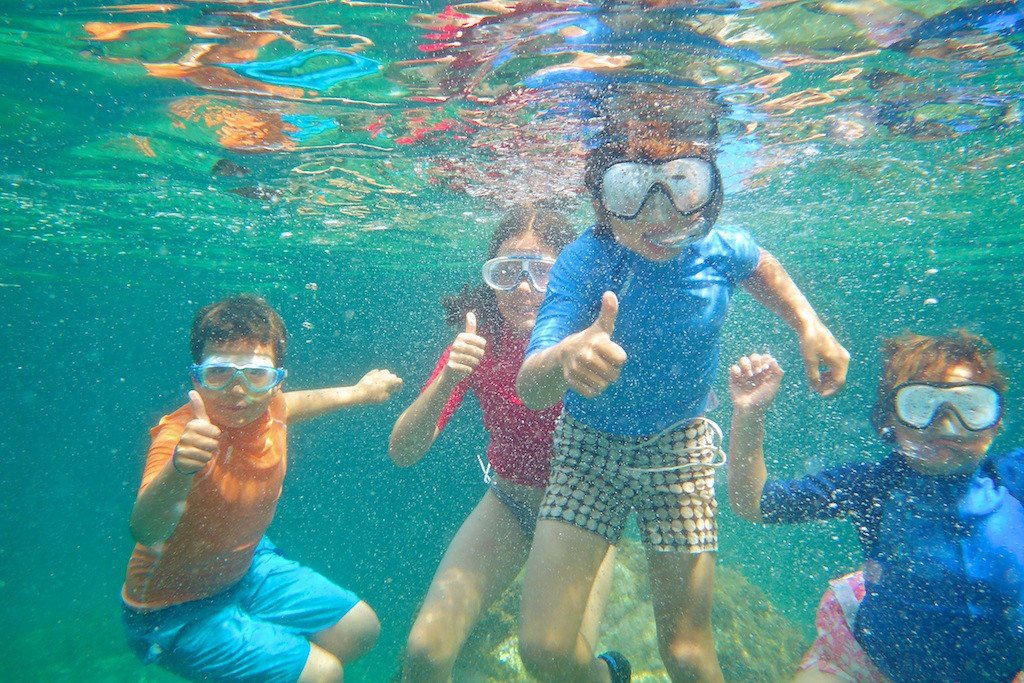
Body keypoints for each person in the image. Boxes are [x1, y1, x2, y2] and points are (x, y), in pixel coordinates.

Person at [514, 91, 850, 683]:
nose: (657, 214)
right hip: (586, 448)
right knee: (542, 650)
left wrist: (809, 323)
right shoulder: (583, 261)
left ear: (710, 190)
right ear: (600, 199)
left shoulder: (717, 248)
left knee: (687, 650)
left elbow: (760, 264)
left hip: (681, 450)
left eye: (682, 183)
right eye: (629, 190)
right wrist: (565, 357)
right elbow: (531, 385)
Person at [122, 294, 404, 683]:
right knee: (323, 675)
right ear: (196, 377)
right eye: (219, 373)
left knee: (361, 630)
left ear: (276, 381)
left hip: (245, 567)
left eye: (255, 375)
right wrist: (179, 469)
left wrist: (359, 392)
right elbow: (146, 530)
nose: (238, 392)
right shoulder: (181, 438)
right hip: (168, 610)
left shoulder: (271, 406)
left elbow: (294, 404)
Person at [390, 208, 616, 682]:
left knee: (553, 660)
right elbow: (403, 452)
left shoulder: (597, 332)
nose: (525, 289)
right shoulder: (481, 340)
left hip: (587, 512)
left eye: (543, 270)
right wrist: (449, 376)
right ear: (490, 278)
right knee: (424, 654)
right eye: (507, 273)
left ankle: (607, 674)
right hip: (512, 498)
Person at [727, 331, 1024, 683]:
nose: (945, 422)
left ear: (996, 421)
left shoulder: (1014, 479)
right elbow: (755, 503)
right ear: (890, 422)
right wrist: (750, 413)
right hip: (870, 665)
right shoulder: (872, 488)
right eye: (920, 405)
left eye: (970, 407)